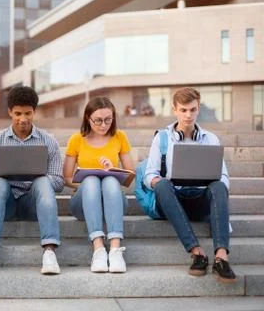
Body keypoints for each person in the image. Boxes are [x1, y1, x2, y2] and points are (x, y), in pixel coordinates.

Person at [144, 87, 236, 283]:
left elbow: (224, 177)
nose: (188, 115)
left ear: (198, 108)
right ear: (175, 109)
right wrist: (162, 180)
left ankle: (221, 257)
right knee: (161, 186)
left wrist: (214, 183)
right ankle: (197, 252)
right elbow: (149, 175)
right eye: (183, 110)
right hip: (172, 198)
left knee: (219, 186)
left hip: (200, 198)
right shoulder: (161, 138)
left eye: (192, 110)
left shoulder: (211, 138)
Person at [0, 86, 64, 275]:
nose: (23, 119)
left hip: (34, 204)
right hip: (6, 205)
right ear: (9, 112)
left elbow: (58, 182)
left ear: (35, 112)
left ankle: (49, 252)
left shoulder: (49, 142)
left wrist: (39, 175)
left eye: (28, 113)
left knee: (43, 182)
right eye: (17, 113)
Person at [63, 97, 134, 273]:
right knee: (91, 180)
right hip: (83, 202)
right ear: (88, 118)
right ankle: (99, 248)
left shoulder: (120, 137)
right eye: (98, 120)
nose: (103, 125)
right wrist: (86, 184)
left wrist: (113, 170)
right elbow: (66, 178)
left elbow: (130, 176)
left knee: (110, 179)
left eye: (108, 119)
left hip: (114, 200)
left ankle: (115, 250)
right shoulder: (76, 139)